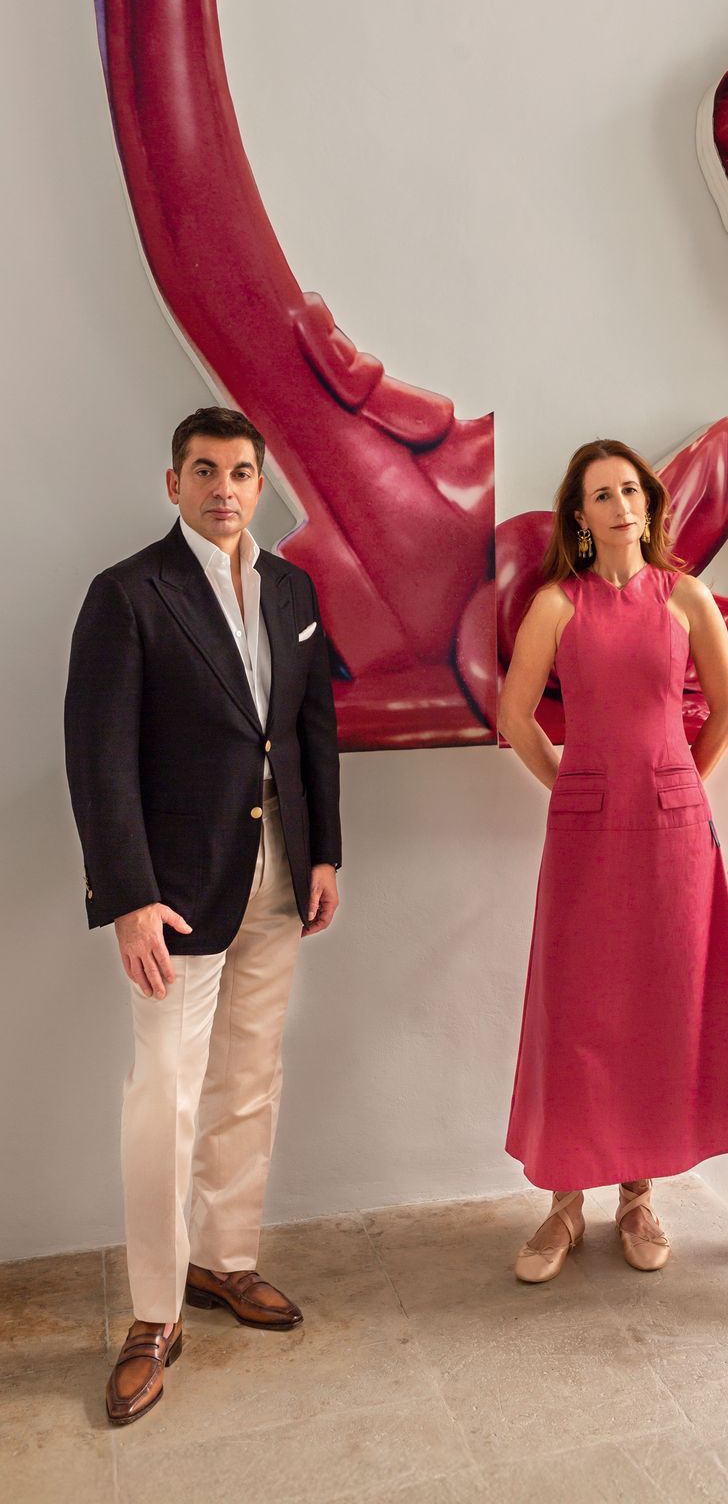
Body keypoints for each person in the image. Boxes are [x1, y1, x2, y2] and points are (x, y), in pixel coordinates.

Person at [65, 406, 342, 1425]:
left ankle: (224, 1262)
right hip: (174, 894)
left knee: (248, 1083)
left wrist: (326, 856)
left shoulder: (293, 590)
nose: (223, 488)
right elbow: (97, 760)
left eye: (239, 472)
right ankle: (150, 1312)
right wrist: (128, 895)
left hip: (278, 880)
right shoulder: (127, 594)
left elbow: (315, 731)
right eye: (203, 470)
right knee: (164, 1098)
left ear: (259, 485)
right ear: (172, 483)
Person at [499, 439, 728, 1280]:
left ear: (649, 505)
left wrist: (678, 784)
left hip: (673, 829)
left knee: (659, 1004)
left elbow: (727, 713)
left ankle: (638, 1197)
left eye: (631, 491)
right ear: (579, 517)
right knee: (576, 1007)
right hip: (586, 825)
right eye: (602, 495)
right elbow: (517, 717)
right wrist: (570, 780)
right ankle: (562, 1205)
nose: (621, 506)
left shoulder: (686, 597)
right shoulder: (557, 603)